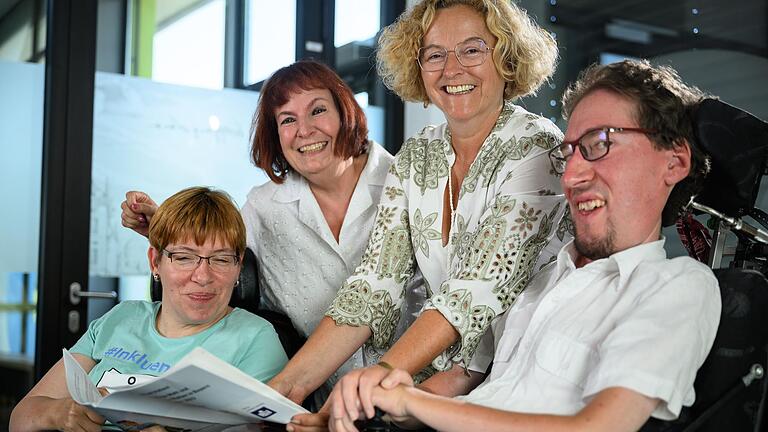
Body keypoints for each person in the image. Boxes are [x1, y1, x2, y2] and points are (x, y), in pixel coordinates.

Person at [332, 59, 722, 432]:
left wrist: (413, 404)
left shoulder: (678, 286)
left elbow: (597, 427)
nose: (571, 174)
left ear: (674, 162)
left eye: (599, 143)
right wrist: (396, 400)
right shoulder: (541, 281)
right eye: (568, 152)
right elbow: (484, 398)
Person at [272, 0, 568, 427]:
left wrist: (370, 388)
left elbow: (473, 292)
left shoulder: (538, 147)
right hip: (450, 374)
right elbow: (374, 283)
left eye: (472, 50)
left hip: (529, 376)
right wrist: (287, 386)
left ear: (506, 57)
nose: (452, 69)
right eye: (434, 55)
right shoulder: (416, 156)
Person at [119, 61, 419, 406]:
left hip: (424, 396)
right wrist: (161, 227)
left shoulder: (409, 183)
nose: (304, 130)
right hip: (322, 405)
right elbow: (214, 258)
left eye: (317, 110)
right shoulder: (264, 207)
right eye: (287, 119)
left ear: (345, 113)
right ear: (275, 134)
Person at [10, 186, 288, 432]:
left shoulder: (255, 338)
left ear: (239, 266)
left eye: (221, 259)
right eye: (183, 258)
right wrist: (60, 413)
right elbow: (20, 418)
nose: (203, 276)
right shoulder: (121, 318)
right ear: (155, 262)